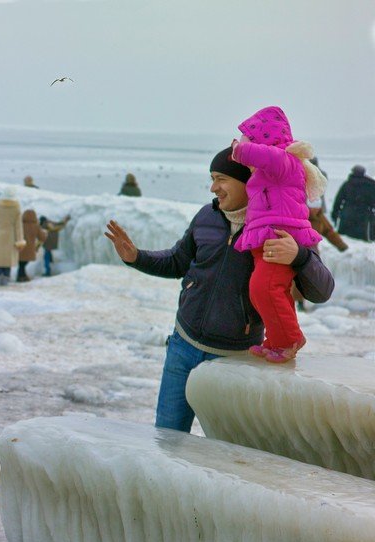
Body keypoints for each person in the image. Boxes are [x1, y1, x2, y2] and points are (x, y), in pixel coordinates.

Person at [104, 145, 334, 433]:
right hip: (183, 346)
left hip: (235, 360)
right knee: (168, 437)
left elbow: (322, 291)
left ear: (246, 181)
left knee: (228, 450)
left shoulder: (282, 225)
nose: (213, 187)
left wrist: (299, 255)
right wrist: (135, 257)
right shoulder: (206, 217)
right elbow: (177, 261)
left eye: (220, 178)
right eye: (212, 179)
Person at [230, 106, 324, 363]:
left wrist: (239, 149)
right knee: (266, 289)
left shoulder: (284, 161)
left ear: (265, 141)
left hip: (279, 235)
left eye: (251, 140)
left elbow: (261, 155)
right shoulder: (271, 171)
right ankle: (276, 339)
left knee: (266, 287)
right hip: (268, 235)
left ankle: (290, 339)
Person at [0, 187, 24, 286]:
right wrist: (20, 241)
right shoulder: (17, 208)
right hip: (11, 237)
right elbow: (18, 227)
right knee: (7, 263)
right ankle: (5, 284)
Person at [306, 159, 347, 253]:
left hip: (311, 256)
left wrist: (342, 246)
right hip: (301, 256)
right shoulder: (299, 217)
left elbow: (329, 231)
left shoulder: (318, 216)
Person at [331, 164, 375, 242]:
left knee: (346, 239)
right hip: (364, 218)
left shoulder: (347, 184)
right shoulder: (370, 185)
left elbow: (338, 200)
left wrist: (334, 214)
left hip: (347, 216)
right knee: (362, 241)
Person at [16, 209, 48, 283]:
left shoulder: (20, 224)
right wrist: (45, 234)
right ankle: (21, 277)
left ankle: (21, 276)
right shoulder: (35, 226)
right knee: (23, 263)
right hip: (29, 248)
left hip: (20, 247)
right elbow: (42, 237)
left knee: (21, 263)